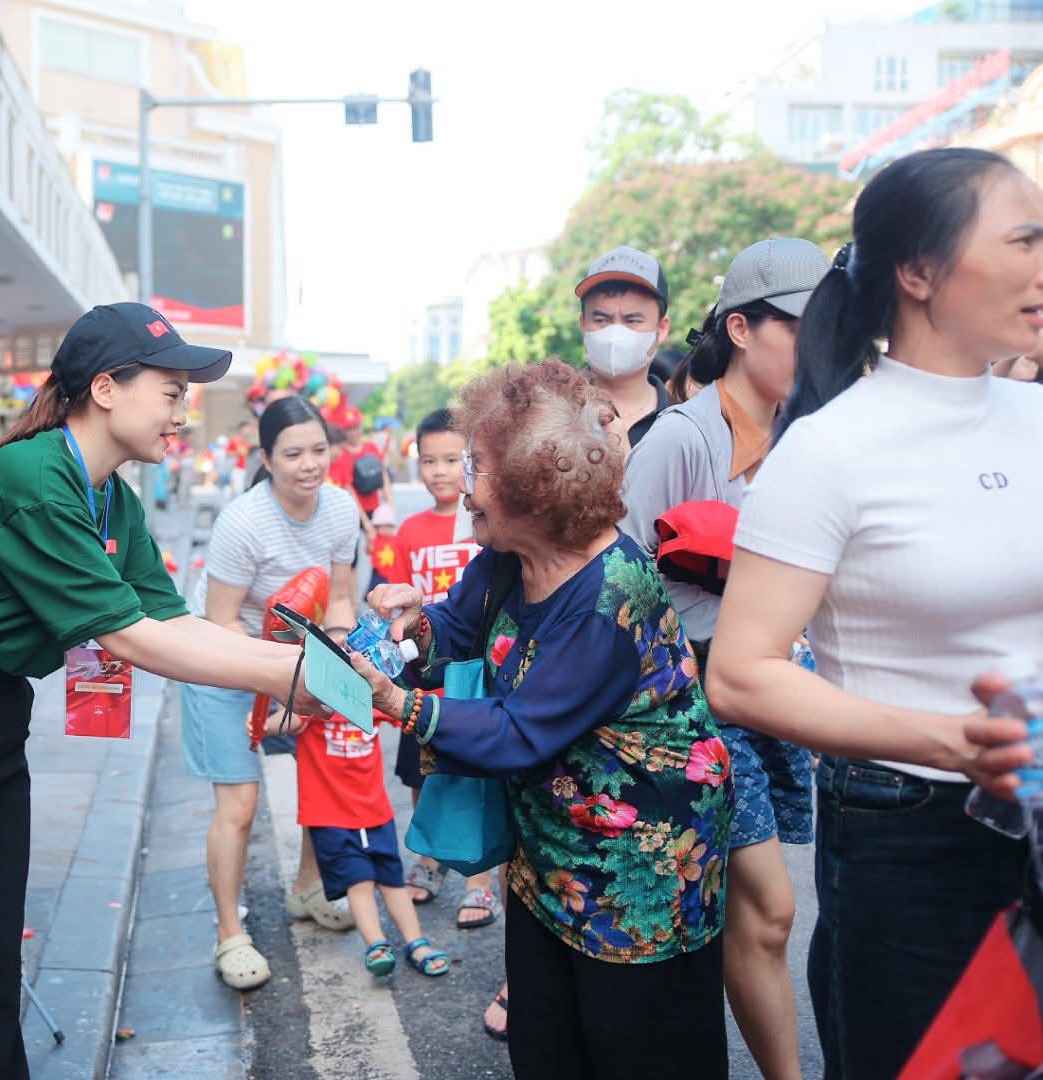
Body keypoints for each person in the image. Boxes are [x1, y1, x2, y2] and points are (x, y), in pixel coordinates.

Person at [0, 303, 313, 1079]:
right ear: (105, 388)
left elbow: (168, 619)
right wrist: (288, 676)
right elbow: (127, 637)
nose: (180, 413)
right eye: (170, 392)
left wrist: (289, 664)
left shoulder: (112, 498)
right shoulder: (34, 477)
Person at [706, 148, 1043, 1080]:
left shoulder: (1034, 421)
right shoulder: (829, 451)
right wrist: (952, 744)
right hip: (909, 833)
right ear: (919, 271)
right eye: (1023, 241)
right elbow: (740, 673)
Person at [351, 359, 732, 1078]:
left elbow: (519, 732)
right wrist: (415, 623)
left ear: (536, 488)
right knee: (548, 1045)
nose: (464, 481)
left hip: (637, 876)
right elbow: (458, 626)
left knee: (635, 1051)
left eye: (480, 465)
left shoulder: (609, 593)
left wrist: (399, 703)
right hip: (547, 861)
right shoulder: (506, 554)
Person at [621, 237, 829, 1080]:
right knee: (772, 908)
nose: (824, 347)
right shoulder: (679, 438)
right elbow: (620, 580)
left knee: (758, 913)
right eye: (804, 328)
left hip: (782, 685)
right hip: (698, 696)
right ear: (741, 328)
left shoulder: (810, 433)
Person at [184, 395, 361, 990]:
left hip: (297, 663)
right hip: (223, 660)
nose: (310, 464)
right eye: (293, 454)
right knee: (239, 806)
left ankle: (308, 889)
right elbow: (221, 618)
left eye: (319, 449)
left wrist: (332, 668)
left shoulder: (340, 509)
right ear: (266, 458)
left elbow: (339, 597)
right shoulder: (243, 521)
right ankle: (228, 933)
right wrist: (282, 685)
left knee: (320, 780)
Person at [379, 410, 492, 925]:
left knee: (476, 773)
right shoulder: (408, 531)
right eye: (429, 460)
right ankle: (430, 858)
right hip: (423, 674)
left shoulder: (485, 525)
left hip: (472, 670)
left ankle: (480, 880)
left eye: (452, 459)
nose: (440, 470)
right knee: (418, 771)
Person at [262, 705, 451, 979]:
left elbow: (406, 707)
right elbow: (287, 720)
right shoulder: (316, 705)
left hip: (376, 814)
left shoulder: (366, 701)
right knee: (358, 883)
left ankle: (417, 943)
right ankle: (376, 945)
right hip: (332, 820)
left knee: (393, 883)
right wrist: (262, 725)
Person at [575, 245, 674, 449]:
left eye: (632, 320)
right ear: (583, 324)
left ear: (661, 328)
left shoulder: (682, 417)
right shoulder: (552, 412)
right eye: (602, 320)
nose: (615, 334)